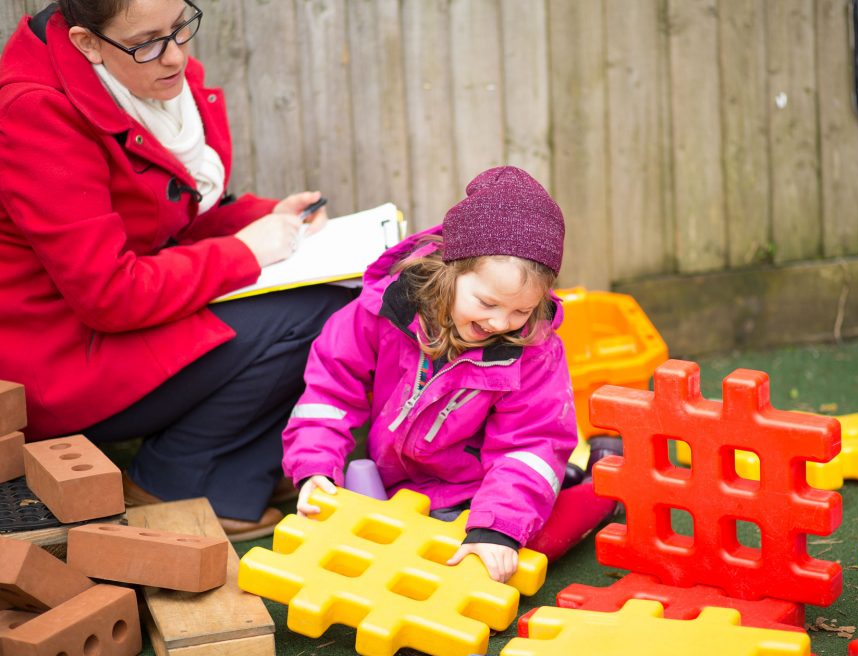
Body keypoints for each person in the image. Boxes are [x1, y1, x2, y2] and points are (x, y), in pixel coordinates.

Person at [0, 0, 353, 539]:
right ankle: (177, 480)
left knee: (342, 295)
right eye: (148, 41)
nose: (175, 58)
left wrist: (265, 218)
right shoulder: (35, 113)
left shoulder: (136, 80)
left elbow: (160, 223)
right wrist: (247, 251)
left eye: (180, 28)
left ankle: (244, 466)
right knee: (318, 315)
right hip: (63, 361)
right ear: (86, 42)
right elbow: (110, 293)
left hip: (111, 324)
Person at [282, 166, 578, 582]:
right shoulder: (379, 314)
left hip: (469, 495)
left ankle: (578, 482)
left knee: (460, 568)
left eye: (522, 310)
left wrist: (496, 528)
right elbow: (329, 394)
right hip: (390, 483)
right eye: (487, 302)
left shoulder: (534, 353)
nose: (501, 322)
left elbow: (531, 443)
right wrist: (314, 468)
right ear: (451, 270)